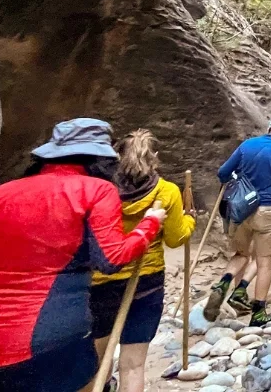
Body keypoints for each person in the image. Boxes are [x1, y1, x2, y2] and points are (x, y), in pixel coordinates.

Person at [0, 118, 165, 392]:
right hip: (49, 334)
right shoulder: (96, 190)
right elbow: (112, 259)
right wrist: (150, 224)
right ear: (99, 160)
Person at [91, 130, 195, 392]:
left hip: (102, 280)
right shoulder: (167, 191)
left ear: (117, 156)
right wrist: (189, 220)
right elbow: (175, 238)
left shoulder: (100, 190)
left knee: (98, 361)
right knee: (134, 365)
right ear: (155, 158)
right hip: (146, 281)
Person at [204, 116, 271, 326]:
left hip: (241, 210)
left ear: (270, 129)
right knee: (265, 262)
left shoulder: (247, 145)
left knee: (241, 254)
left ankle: (223, 284)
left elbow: (223, 173)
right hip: (268, 209)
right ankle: (259, 313)